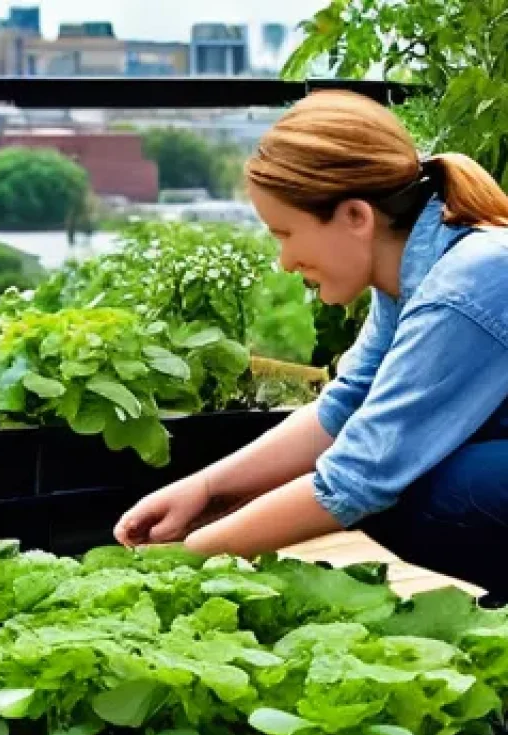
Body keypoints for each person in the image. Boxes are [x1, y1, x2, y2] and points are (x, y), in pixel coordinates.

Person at [115, 90, 508, 599]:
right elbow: (343, 409)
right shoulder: (416, 274)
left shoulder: (464, 285)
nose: (283, 260)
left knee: (411, 484)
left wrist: (185, 561)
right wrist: (206, 490)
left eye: (285, 233)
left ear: (355, 217)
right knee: (399, 470)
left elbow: (358, 476)